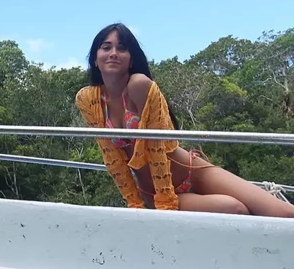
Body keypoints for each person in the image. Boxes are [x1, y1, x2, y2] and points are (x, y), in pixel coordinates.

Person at [75, 22, 294, 217]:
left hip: (193, 169)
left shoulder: (138, 85)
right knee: (235, 209)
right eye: (106, 47)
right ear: (95, 57)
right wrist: (136, 203)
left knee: (284, 212)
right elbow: (111, 157)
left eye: (122, 48)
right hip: (155, 192)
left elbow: (157, 146)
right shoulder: (89, 100)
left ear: (131, 59)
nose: (113, 52)